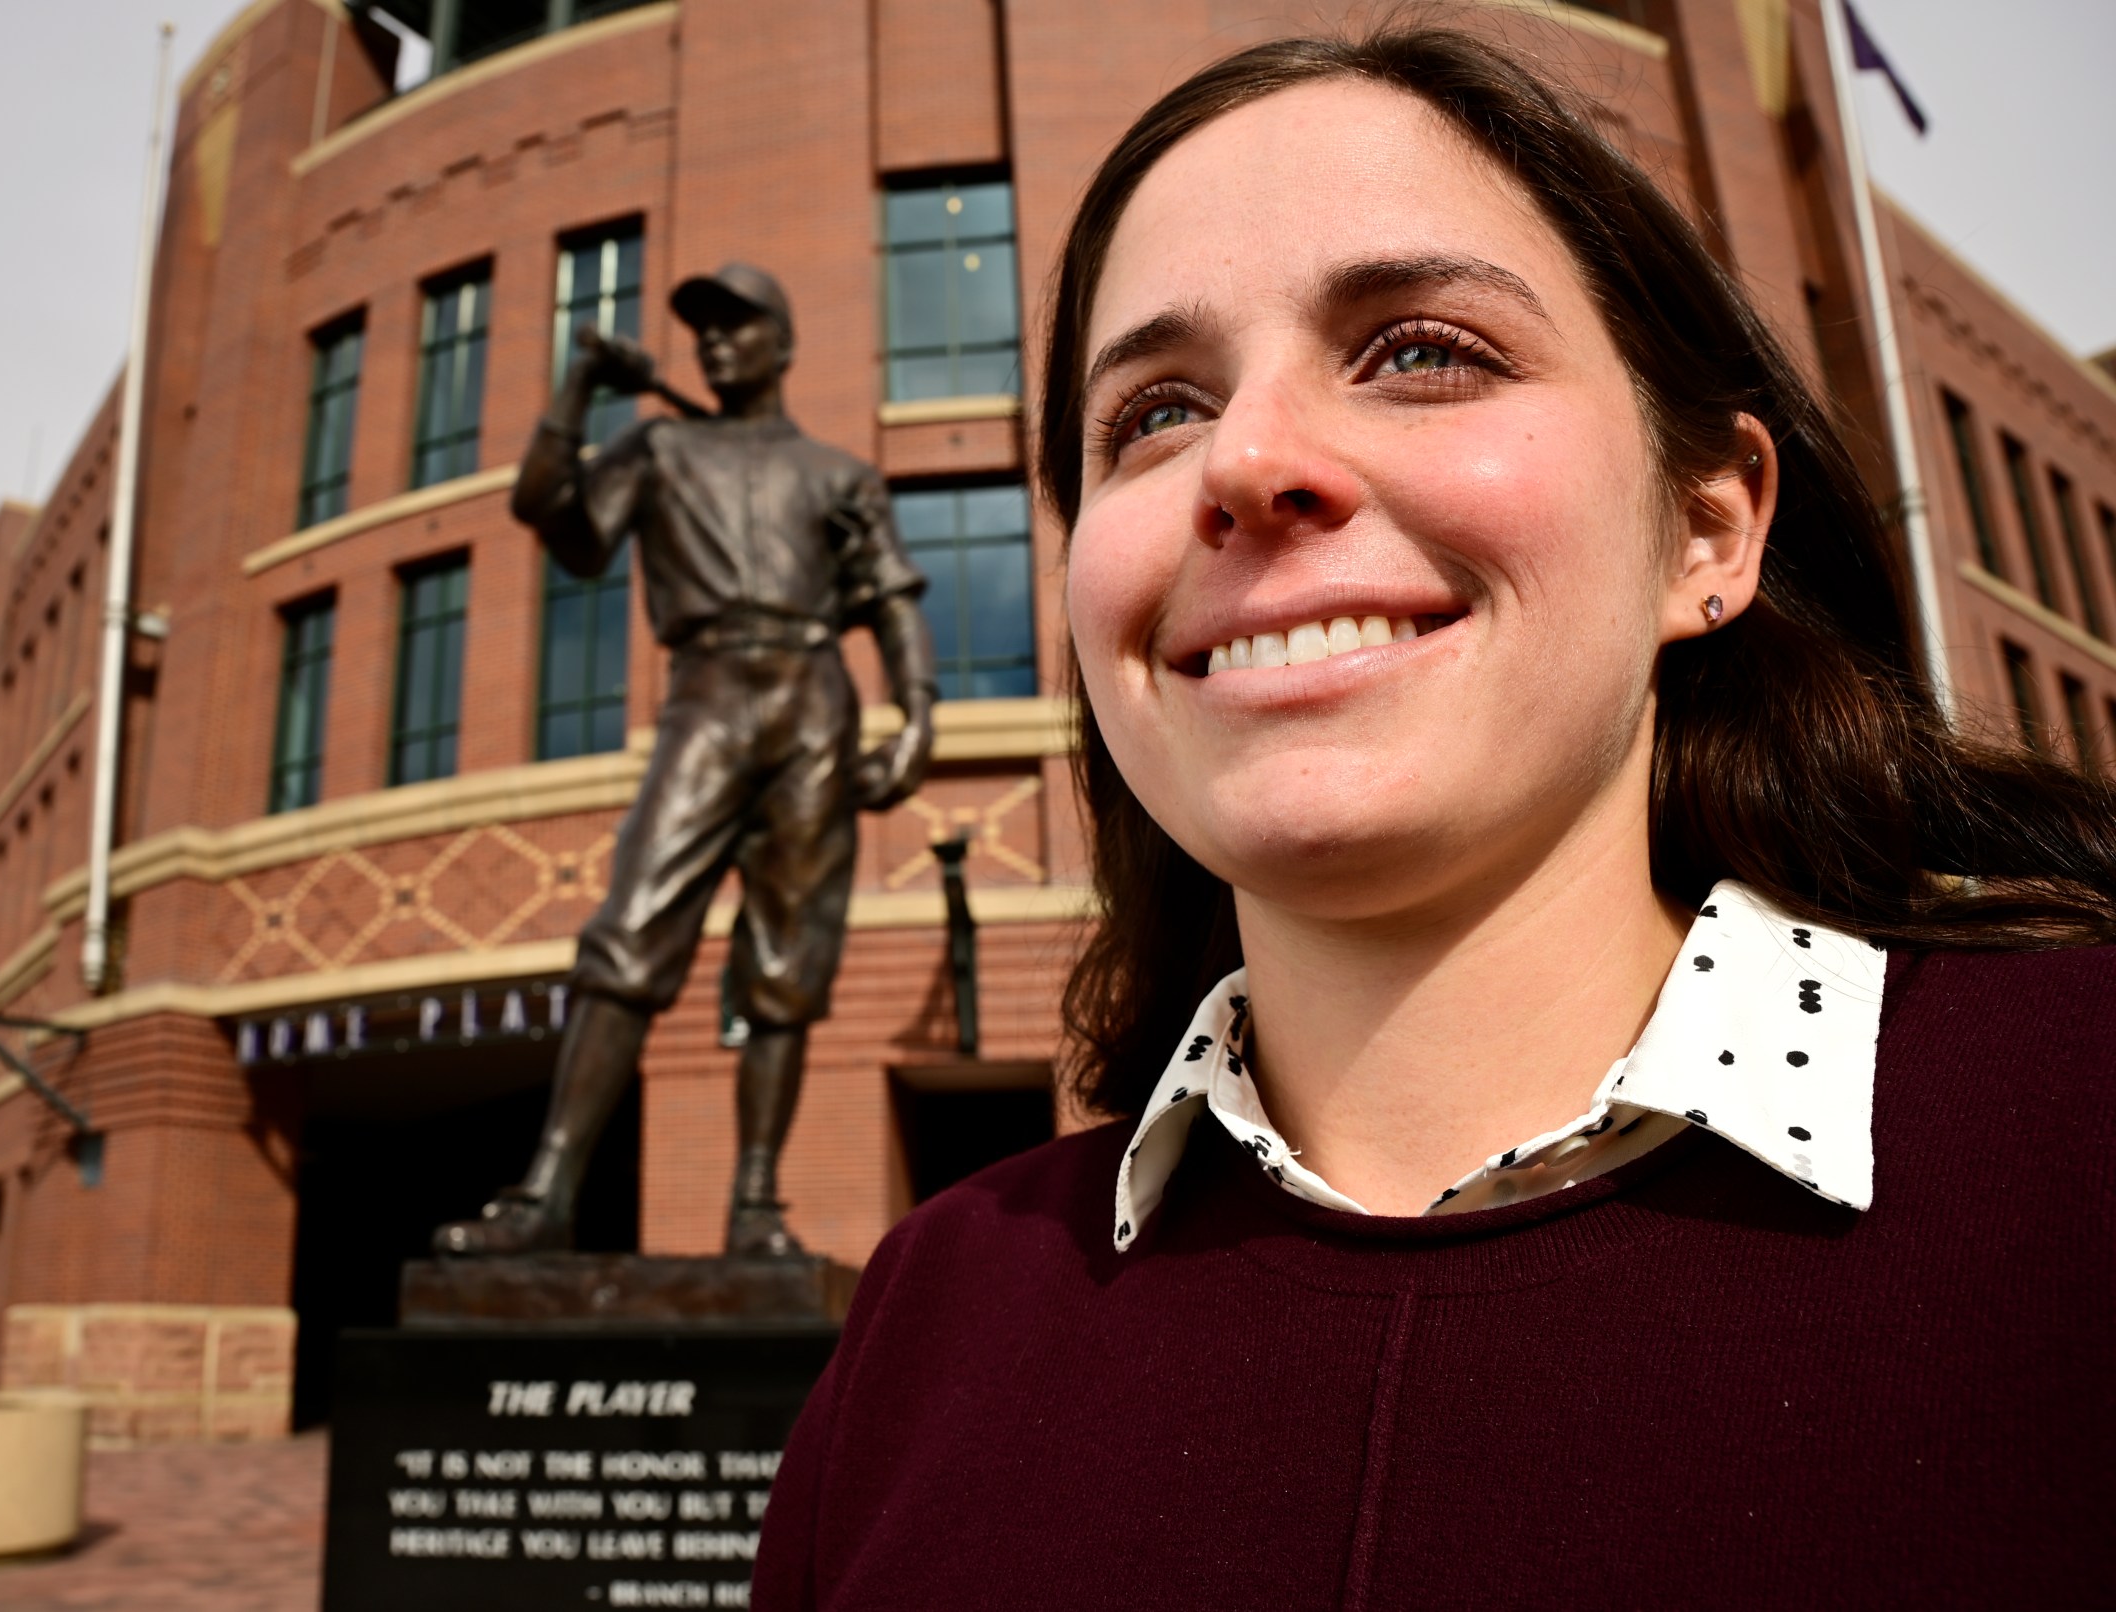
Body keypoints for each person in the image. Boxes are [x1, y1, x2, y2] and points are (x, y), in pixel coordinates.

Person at [750, 29, 2116, 1608]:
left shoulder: (2079, 1122)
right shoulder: (938, 1312)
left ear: (1707, 523)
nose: (1247, 462)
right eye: (1154, 411)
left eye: (1421, 351)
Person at [434, 264, 936, 1260]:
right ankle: (547, 1194)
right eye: (701, 329)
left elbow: (889, 597)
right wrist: (581, 389)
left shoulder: (838, 474)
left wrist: (918, 714)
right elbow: (554, 516)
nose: (713, 342)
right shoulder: (658, 446)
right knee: (628, 934)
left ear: (782, 344)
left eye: (736, 324)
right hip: (707, 694)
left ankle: (756, 1206)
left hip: (812, 705)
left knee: (787, 967)